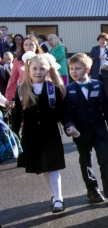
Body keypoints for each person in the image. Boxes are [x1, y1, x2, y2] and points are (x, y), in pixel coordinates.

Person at [12, 53, 69, 214]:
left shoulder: (53, 89)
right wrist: (14, 134)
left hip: (50, 134)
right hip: (31, 136)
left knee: (52, 167)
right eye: (35, 68)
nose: (38, 72)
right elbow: (17, 115)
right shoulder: (21, 90)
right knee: (43, 168)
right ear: (28, 70)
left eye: (42, 69)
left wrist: (68, 126)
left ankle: (59, 198)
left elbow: (61, 112)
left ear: (48, 70)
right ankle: (54, 195)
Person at [64, 53, 108, 205]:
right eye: (71, 69)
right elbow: (66, 113)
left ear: (87, 69)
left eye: (78, 68)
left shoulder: (98, 85)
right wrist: (70, 126)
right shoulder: (68, 89)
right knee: (85, 161)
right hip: (81, 133)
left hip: (100, 130)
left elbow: (106, 110)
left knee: (105, 160)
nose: (74, 72)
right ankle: (92, 190)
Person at [89, 33, 108, 107]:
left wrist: (105, 57)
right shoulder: (94, 49)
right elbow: (90, 61)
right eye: (101, 39)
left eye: (104, 40)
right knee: (96, 91)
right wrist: (89, 74)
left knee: (107, 92)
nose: (102, 41)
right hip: (96, 74)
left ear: (107, 41)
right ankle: (97, 107)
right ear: (98, 40)